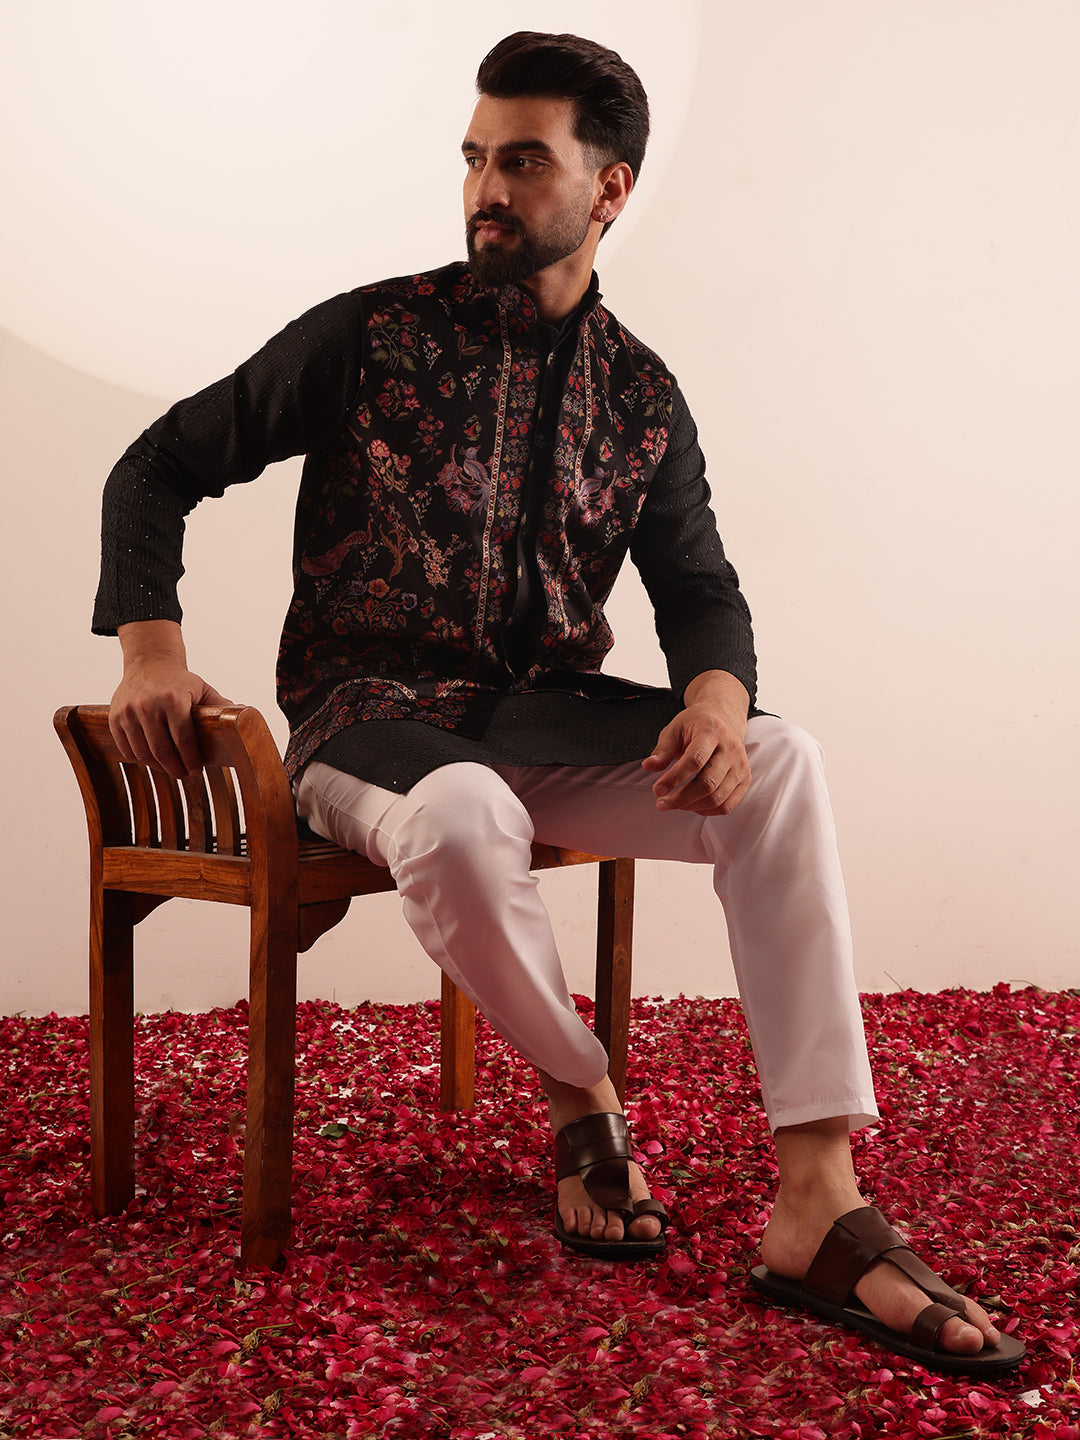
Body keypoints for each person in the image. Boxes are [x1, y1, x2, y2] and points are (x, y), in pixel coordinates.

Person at [95, 31, 1023, 1374]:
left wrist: (716, 707)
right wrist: (150, 651)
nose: (486, 186)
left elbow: (701, 591)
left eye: (522, 161)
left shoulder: (640, 395)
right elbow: (157, 464)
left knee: (784, 763)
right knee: (463, 812)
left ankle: (819, 1198)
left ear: (609, 188)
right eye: (475, 156)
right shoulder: (370, 335)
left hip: (545, 716)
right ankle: (583, 1091)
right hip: (365, 721)